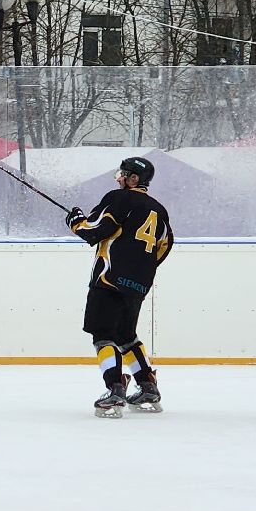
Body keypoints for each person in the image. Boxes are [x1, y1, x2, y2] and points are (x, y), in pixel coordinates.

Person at [66, 156, 173, 418]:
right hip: (137, 284)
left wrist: (76, 222)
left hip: (108, 278)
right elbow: (165, 245)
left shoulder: (119, 198)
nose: (119, 178)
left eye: (123, 174)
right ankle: (148, 386)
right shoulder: (159, 210)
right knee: (126, 335)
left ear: (134, 179)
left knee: (103, 334)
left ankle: (115, 387)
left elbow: (96, 230)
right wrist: (139, 269)